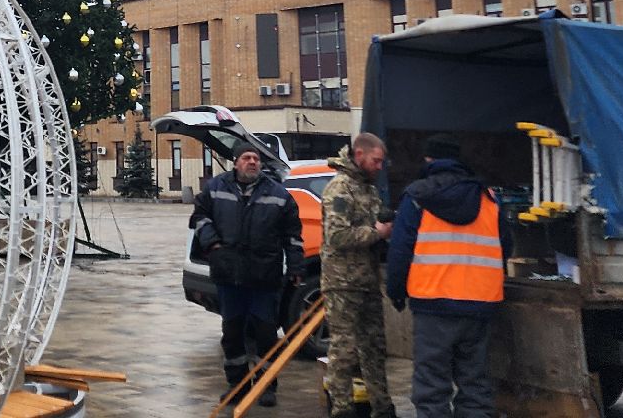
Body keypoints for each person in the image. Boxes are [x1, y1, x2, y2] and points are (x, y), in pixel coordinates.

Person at [384, 133, 504, 418]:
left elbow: (400, 250)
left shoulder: (417, 197)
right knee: (475, 385)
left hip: (433, 303)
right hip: (479, 304)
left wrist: (396, 292)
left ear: (429, 159)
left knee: (431, 387)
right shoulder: (488, 198)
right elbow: (505, 246)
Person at [190, 144, 303, 407]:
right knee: (232, 333)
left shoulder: (278, 195)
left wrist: (296, 268)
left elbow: (293, 236)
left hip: (264, 277)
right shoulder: (216, 188)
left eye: (256, 158)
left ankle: (266, 386)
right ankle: (237, 386)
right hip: (229, 275)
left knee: (265, 334)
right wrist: (212, 244)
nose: (252, 162)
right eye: (246, 158)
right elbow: (199, 216)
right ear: (235, 162)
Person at [321, 132, 397, 418]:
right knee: (344, 351)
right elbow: (337, 235)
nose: (380, 166)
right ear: (360, 154)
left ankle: (382, 407)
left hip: (368, 282)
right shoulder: (340, 188)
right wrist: (376, 233)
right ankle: (342, 409)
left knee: (375, 349)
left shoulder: (369, 189)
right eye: (376, 161)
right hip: (342, 284)